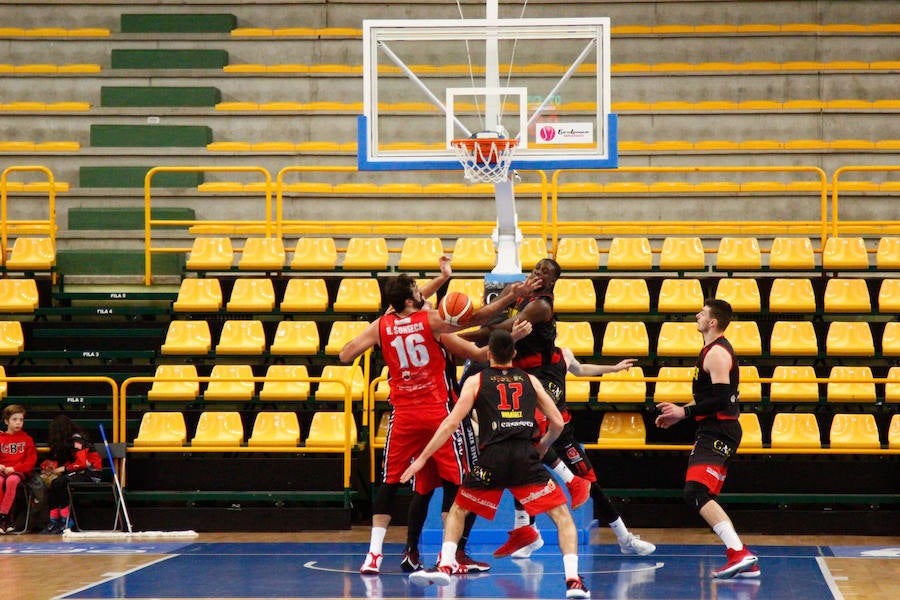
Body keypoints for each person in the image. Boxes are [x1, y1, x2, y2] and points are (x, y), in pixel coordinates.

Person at [339, 264, 538, 575]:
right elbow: (474, 329)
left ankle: (375, 555)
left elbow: (345, 355)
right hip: (439, 412)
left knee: (395, 483)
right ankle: (450, 556)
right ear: (409, 300)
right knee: (460, 482)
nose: (425, 293)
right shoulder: (431, 320)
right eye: (418, 291)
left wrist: (385, 331)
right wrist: (509, 331)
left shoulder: (382, 324)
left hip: (402, 415)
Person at [462, 258, 655, 559]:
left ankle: (623, 536)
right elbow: (495, 324)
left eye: (545, 273)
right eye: (536, 269)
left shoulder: (556, 346)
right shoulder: (525, 345)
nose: (538, 274)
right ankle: (528, 531)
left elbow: (581, 369)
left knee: (586, 481)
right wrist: (507, 297)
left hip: (560, 424)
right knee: (523, 455)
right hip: (542, 417)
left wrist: (613, 369)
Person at [404, 329, 590, 599]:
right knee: (563, 519)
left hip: (492, 458)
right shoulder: (530, 380)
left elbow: (451, 423)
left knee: (458, 510)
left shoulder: (476, 380)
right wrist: (543, 446)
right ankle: (573, 580)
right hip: (525, 456)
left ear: (489, 353)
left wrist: (422, 458)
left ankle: (445, 564)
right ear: (514, 354)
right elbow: (558, 423)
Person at [655, 299, 758, 579]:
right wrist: (681, 414)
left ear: (713, 322)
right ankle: (744, 557)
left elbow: (722, 400)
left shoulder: (716, 353)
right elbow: (710, 397)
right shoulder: (710, 351)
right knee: (703, 493)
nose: (698, 315)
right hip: (714, 429)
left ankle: (738, 553)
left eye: (703, 313)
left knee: (696, 493)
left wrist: (684, 411)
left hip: (718, 430)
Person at [40, 416, 102, 534]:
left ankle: (67, 520)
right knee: (54, 483)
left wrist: (63, 469)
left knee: (60, 482)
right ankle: (54, 520)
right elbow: (69, 461)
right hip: (78, 473)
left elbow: (81, 464)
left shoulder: (78, 441)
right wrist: (51, 466)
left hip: (90, 474)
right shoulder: (69, 444)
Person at [0, 404, 38, 534]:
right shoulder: (1, 438)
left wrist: (15, 468)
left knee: (11, 481)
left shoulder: (27, 439)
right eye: (14, 419)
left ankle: (4, 516)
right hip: (2, 471)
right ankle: (7, 518)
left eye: (21, 420)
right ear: (6, 421)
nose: (18, 423)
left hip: (17, 472)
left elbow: (30, 462)